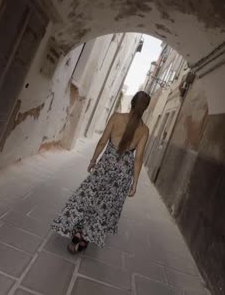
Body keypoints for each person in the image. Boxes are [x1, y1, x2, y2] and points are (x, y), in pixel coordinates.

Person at [51, 91, 151, 253]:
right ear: (145, 108)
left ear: (132, 102)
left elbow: (103, 141)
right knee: (104, 207)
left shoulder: (117, 117)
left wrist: (93, 160)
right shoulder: (144, 131)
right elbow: (138, 158)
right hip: (122, 174)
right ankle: (84, 238)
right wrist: (135, 182)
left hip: (105, 167)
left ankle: (78, 232)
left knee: (88, 198)